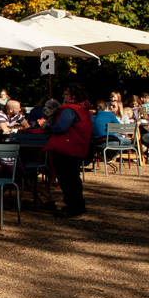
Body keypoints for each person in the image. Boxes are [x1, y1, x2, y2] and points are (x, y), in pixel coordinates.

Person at [45, 84, 93, 218]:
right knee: (73, 178)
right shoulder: (83, 109)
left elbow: (61, 127)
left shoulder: (70, 110)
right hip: (78, 147)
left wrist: (49, 126)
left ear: (72, 96)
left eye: (65, 94)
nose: (63, 96)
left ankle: (73, 207)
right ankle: (77, 205)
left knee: (67, 179)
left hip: (66, 148)